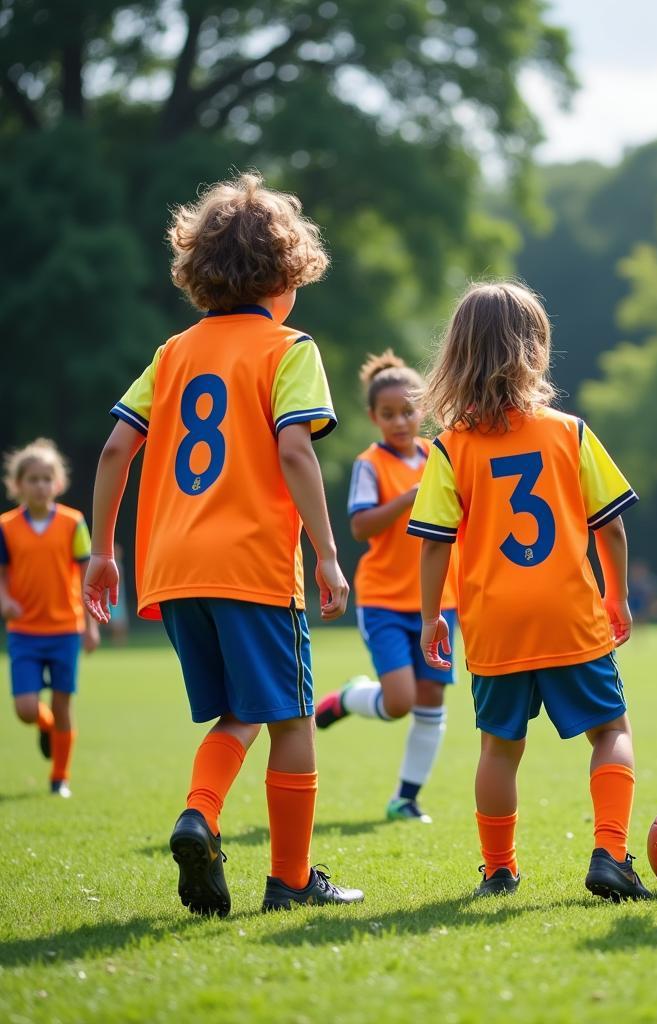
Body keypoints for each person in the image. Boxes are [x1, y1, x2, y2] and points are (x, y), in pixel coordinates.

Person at [84, 172, 364, 915]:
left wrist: (104, 550)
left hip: (171, 569)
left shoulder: (172, 352)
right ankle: (293, 881)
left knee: (239, 710)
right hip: (252, 566)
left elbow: (116, 450)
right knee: (292, 716)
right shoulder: (288, 347)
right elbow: (297, 451)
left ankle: (199, 813)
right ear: (285, 273)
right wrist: (328, 553)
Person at [409, 281, 651, 902]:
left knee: (499, 748)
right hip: (568, 611)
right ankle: (610, 854)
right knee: (611, 731)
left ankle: (498, 870)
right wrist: (618, 596)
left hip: (493, 621)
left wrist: (431, 616)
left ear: (457, 356)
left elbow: (434, 541)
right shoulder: (568, 432)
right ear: (535, 349)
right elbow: (612, 526)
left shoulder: (450, 446)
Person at [315, 351, 459, 824]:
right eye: (388, 414)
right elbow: (360, 527)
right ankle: (352, 696)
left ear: (425, 409)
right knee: (399, 702)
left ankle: (406, 798)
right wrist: (408, 498)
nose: (400, 421)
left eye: (408, 411)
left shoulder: (441, 456)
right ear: (373, 417)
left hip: (438, 602)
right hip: (383, 601)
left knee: (432, 699)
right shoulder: (369, 464)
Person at [1, 439, 100, 798]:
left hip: (65, 629)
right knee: (26, 709)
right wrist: (5, 599)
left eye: (47, 478)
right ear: (18, 485)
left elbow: (87, 575)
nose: (40, 485)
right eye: (33, 479)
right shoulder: (6, 526)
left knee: (63, 703)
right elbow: (2, 574)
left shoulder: (73, 523)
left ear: (57, 483)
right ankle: (44, 726)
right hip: (24, 631)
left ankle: (60, 778)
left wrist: (90, 626)